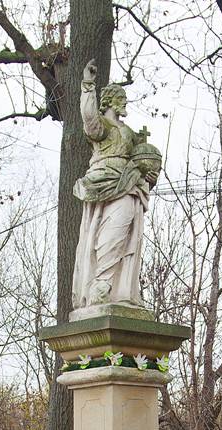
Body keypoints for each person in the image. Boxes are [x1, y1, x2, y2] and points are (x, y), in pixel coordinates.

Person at [72, 59, 161, 312]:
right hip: (103, 182)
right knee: (104, 236)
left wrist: (150, 175)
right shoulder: (103, 126)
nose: (124, 103)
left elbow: (143, 161)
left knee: (122, 233)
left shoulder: (131, 133)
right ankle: (101, 286)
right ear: (110, 100)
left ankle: (115, 288)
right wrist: (88, 86)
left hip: (130, 186)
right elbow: (89, 119)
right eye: (120, 98)